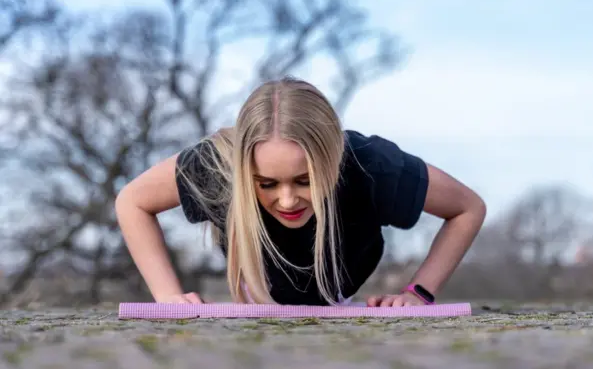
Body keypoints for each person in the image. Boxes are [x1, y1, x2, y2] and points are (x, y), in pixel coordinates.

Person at [115, 76, 487, 307]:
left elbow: (468, 208)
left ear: (332, 161)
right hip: (255, 285)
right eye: (267, 184)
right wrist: (167, 296)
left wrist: (418, 292)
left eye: (305, 180)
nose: (288, 200)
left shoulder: (373, 166)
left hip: (339, 281)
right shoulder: (217, 164)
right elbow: (132, 201)